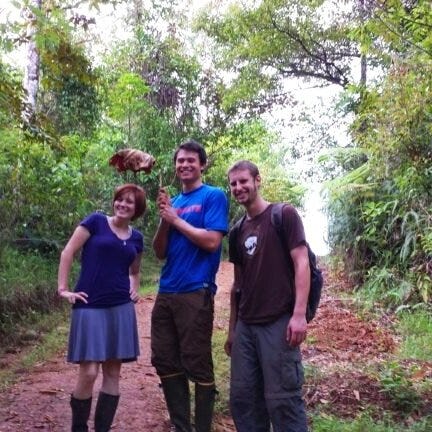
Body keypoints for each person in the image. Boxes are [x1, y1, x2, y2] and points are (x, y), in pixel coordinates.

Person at [225, 160, 310, 432]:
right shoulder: (237, 230)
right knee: (244, 401)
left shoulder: (283, 215)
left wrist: (298, 315)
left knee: (283, 401)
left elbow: (302, 263)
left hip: (278, 323)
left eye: (243, 181)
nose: (238, 187)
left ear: (257, 180)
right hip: (246, 328)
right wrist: (232, 330)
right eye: (233, 184)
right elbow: (238, 285)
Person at [151, 139, 229, 432]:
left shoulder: (213, 196)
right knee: (164, 359)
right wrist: (165, 219)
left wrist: (176, 219)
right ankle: (181, 426)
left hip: (196, 290)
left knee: (196, 360)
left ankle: (203, 427)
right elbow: (160, 252)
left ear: (202, 164)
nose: (184, 164)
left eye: (190, 160)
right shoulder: (174, 201)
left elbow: (212, 242)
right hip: (167, 290)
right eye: (180, 160)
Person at [57, 183, 146, 432]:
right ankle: (79, 427)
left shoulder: (136, 238)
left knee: (113, 372)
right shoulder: (95, 222)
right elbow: (68, 252)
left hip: (120, 308)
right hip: (89, 304)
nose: (123, 204)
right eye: (120, 199)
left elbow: (135, 271)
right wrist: (63, 289)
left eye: (130, 202)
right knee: (89, 371)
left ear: (137, 209)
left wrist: (134, 288)